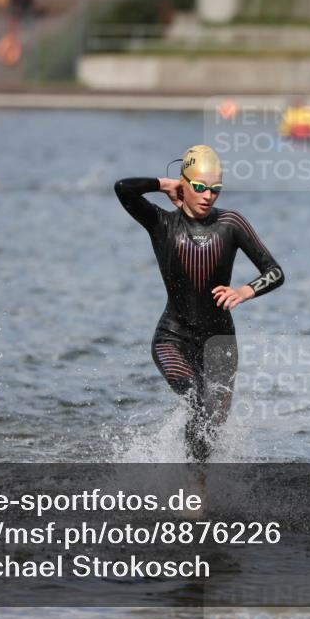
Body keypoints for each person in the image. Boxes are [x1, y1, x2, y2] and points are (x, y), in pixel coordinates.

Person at [115, 145, 285, 462]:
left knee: (213, 421)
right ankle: (196, 493)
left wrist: (245, 291)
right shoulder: (161, 223)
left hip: (221, 343)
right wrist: (164, 184)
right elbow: (123, 189)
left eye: (216, 189)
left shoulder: (232, 223)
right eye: (199, 187)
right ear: (185, 183)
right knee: (198, 402)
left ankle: (197, 479)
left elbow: (274, 272)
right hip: (172, 339)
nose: (208, 196)